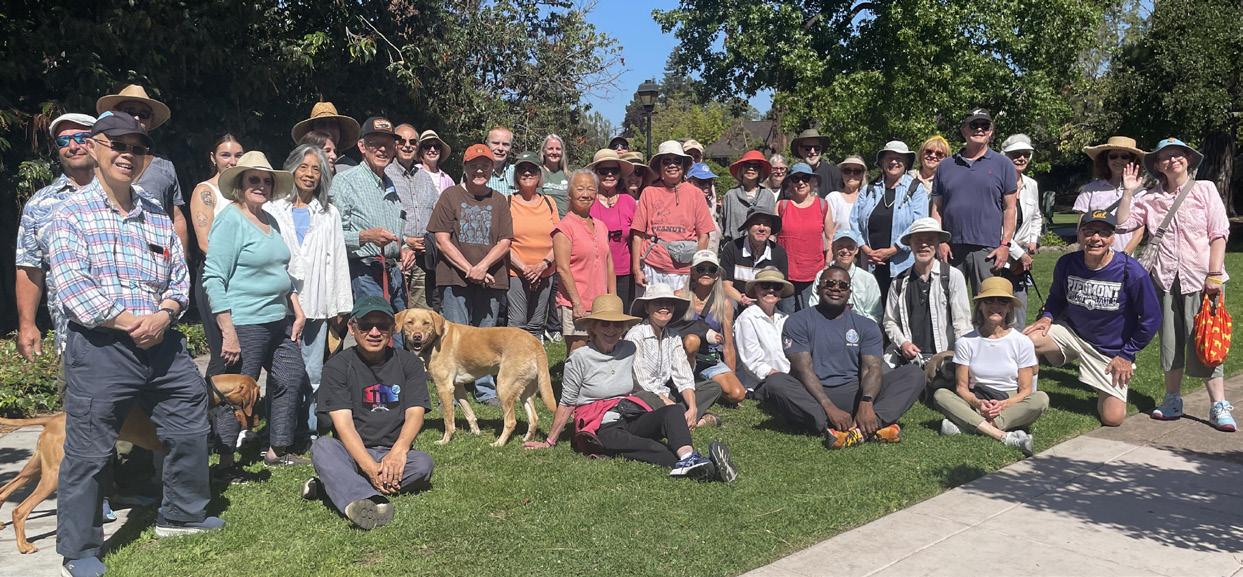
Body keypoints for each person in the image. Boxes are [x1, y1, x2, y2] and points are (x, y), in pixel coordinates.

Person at [45, 113, 221, 577]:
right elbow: (72, 287)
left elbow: (179, 277)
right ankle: (79, 550)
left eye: (137, 148)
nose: (128, 154)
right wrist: (129, 323)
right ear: (94, 148)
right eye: (118, 145)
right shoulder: (69, 214)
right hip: (101, 346)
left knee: (189, 417)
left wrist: (163, 315)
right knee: (89, 449)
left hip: (161, 341)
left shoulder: (156, 213)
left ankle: (181, 514)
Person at [523, 295, 737, 483]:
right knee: (652, 448)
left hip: (630, 413)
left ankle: (689, 457)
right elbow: (568, 402)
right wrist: (550, 441)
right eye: (605, 324)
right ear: (593, 327)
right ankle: (704, 467)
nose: (611, 330)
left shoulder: (628, 348)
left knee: (672, 411)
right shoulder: (579, 358)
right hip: (601, 426)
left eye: (617, 325)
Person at [1115, 138, 1234, 430]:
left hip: (1201, 279)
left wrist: (1214, 274)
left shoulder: (1205, 189)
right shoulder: (1149, 198)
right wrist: (1128, 192)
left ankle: (1218, 405)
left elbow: (1219, 233)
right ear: (1158, 165)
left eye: (1178, 154)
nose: (1173, 160)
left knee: (1206, 338)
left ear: (1188, 160)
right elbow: (1121, 224)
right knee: (1169, 342)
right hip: (1165, 279)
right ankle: (1172, 400)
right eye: (1166, 156)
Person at [202, 151, 310, 470]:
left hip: (279, 320)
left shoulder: (269, 220)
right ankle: (225, 460)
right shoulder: (230, 220)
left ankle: (278, 449)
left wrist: (297, 308)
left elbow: (280, 270)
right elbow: (213, 277)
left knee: (291, 376)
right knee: (237, 390)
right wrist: (228, 331)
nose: (261, 186)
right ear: (240, 184)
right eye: (254, 180)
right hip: (245, 322)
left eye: (266, 181)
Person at [301, 296, 434, 530]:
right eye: (365, 326)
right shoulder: (337, 366)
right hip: (351, 452)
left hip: (392, 452)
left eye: (382, 325)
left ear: (393, 329)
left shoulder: (409, 363)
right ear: (352, 329)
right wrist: (370, 469)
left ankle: (333, 485)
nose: (374, 332)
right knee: (323, 447)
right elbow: (343, 424)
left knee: (423, 464)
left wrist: (399, 451)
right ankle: (367, 500)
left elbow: (416, 413)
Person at [758, 266, 925, 447]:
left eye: (843, 285)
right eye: (829, 283)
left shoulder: (867, 326)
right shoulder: (797, 321)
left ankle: (865, 424)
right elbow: (803, 370)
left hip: (856, 392)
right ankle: (840, 425)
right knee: (775, 382)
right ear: (818, 288)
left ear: (849, 292)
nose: (836, 288)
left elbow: (872, 368)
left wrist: (866, 402)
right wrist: (829, 407)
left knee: (913, 374)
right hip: (814, 397)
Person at [1024, 211, 1161, 427]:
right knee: (1028, 340)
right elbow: (1057, 297)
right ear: (1080, 235)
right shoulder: (1067, 263)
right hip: (1072, 333)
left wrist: (1126, 354)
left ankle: (1099, 384)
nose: (1095, 238)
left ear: (1112, 238)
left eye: (1103, 233)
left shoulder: (1130, 271)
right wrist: (1048, 316)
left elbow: (1151, 318)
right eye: (1089, 232)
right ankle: (1026, 398)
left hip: (1109, 350)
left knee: (1113, 418)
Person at [269, 144, 354, 444]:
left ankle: (309, 430)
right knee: (282, 374)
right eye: (303, 167)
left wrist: (341, 305)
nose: (308, 174)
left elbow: (339, 259)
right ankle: (279, 431)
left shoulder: (329, 213)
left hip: (316, 302)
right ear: (292, 169)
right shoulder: (273, 209)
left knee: (313, 373)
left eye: (315, 169)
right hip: (280, 304)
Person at [426, 144, 514, 405]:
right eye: (474, 165)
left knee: (486, 338)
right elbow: (442, 240)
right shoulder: (450, 196)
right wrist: (470, 269)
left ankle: (485, 390)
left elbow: (505, 241)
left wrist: (482, 267)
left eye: (485, 166)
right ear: (464, 167)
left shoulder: (499, 200)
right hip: (454, 278)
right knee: (453, 338)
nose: (479, 170)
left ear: (492, 169)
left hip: (492, 278)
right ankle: (452, 390)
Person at [933, 277, 1047, 456]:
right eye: (989, 301)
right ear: (980, 306)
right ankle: (1004, 436)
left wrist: (1004, 404)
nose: (995, 306)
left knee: (1041, 399)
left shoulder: (1022, 342)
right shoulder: (965, 342)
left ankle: (968, 425)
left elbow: (1026, 390)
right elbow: (961, 387)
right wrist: (978, 403)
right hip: (977, 398)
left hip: (1010, 401)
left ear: (1009, 307)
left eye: (1002, 301)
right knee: (940, 395)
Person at [16, 113, 96, 361]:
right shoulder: (39, 204)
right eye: (63, 141)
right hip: (72, 338)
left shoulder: (126, 195)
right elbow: (29, 268)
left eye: (81, 138)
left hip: (134, 330)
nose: (72, 146)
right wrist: (27, 324)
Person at [331, 117, 410, 342]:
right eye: (376, 144)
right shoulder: (345, 182)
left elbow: (398, 232)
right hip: (363, 271)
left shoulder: (391, 184)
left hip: (393, 272)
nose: (383, 149)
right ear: (362, 146)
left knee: (398, 335)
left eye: (388, 144)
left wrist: (405, 248)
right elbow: (332, 237)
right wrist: (366, 236)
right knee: (378, 336)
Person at [930, 108, 1019, 294]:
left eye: (984, 126)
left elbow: (1010, 208)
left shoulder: (1003, 165)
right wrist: (939, 241)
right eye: (974, 125)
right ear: (964, 130)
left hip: (987, 249)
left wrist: (1005, 245)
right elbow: (937, 208)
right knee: (948, 302)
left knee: (988, 303)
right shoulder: (945, 166)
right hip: (951, 248)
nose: (979, 129)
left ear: (991, 132)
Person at [97, 85, 188, 257]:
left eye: (144, 114)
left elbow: (175, 216)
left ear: (150, 121)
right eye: (129, 111)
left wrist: (181, 261)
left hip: (152, 259)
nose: (137, 117)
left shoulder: (165, 165)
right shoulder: (99, 156)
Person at [188, 133, 245, 384]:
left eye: (238, 155)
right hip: (216, 277)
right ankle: (210, 404)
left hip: (243, 281)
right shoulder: (206, 191)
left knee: (242, 353)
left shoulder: (246, 191)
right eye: (225, 155)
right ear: (213, 158)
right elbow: (204, 243)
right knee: (224, 354)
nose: (232, 161)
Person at [625, 284, 723, 428]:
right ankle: (687, 420)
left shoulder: (673, 336)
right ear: (647, 308)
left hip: (665, 392)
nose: (664, 307)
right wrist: (671, 405)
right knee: (646, 398)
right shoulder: (636, 336)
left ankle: (682, 418)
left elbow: (683, 375)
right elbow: (643, 383)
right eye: (658, 303)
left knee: (712, 387)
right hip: (644, 395)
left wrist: (693, 407)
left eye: (669, 304)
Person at [882, 218, 973, 369]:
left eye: (930, 240)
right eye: (918, 240)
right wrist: (903, 343)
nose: (923, 245)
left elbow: (962, 323)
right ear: (910, 244)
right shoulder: (898, 282)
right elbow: (890, 321)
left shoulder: (952, 276)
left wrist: (961, 361)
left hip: (944, 360)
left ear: (938, 244)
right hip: (909, 361)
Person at [631, 141, 716, 293]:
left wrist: (697, 269)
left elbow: (704, 236)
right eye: (666, 161)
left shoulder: (695, 194)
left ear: (683, 165)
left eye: (677, 161)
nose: (672, 165)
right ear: (660, 167)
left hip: (685, 272)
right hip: (652, 268)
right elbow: (637, 235)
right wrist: (637, 269)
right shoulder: (649, 193)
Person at [852, 140, 928, 300]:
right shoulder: (869, 189)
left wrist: (893, 250)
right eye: (889, 158)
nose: (894, 162)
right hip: (871, 264)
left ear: (906, 162)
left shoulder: (916, 189)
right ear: (882, 162)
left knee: (901, 309)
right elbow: (854, 222)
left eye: (899, 158)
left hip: (903, 265)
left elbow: (918, 225)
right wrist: (867, 250)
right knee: (873, 308)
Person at [556, 170, 615, 353]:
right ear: (570, 193)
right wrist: (577, 303)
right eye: (580, 188)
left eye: (591, 189)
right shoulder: (564, 228)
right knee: (578, 353)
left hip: (601, 303)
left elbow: (609, 264)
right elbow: (562, 268)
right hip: (575, 303)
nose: (586, 194)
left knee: (602, 352)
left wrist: (613, 299)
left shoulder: (601, 226)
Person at [678, 251, 747, 404]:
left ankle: (703, 384)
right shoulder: (679, 297)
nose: (706, 273)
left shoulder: (725, 303)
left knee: (737, 394)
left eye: (712, 269)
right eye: (701, 269)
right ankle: (687, 381)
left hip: (709, 358)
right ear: (693, 272)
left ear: (717, 275)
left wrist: (731, 374)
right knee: (692, 340)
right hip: (682, 357)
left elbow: (728, 344)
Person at [506, 152, 560, 340]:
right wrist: (525, 269)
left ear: (539, 174)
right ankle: (514, 358)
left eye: (532, 169)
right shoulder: (507, 202)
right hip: (516, 272)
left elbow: (559, 240)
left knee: (536, 325)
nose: (527, 173)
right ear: (516, 174)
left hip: (545, 271)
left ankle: (535, 357)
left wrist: (542, 265)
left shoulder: (549, 202)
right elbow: (502, 241)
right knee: (517, 322)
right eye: (522, 169)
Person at [405, 129, 454, 309]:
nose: (432, 150)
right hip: (406, 244)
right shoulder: (412, 173)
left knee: (427, 298)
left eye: (436, 146)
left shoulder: (447, 179)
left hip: (432, 247)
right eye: (427, 146)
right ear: (420, 151)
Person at [1074, 136, 1149, 253]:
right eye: (1113, 156)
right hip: (1093, 252)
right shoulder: (1090, 189)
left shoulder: (1140, 193)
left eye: (1124, 156)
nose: (1118, 160)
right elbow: (1081, 225)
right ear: (1106, 159)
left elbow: (1139, 232)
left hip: (1122, 254)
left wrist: (1125, 254)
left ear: (1133, 160)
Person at [1000, 134, 1044, 328]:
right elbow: (996, 227)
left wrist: (1033, 241)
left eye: (1025, 154)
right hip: (1000, 256)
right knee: (997, 306)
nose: (1021, 158)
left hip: (1023, 257)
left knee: (1020, 305)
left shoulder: (1031, 184)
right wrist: (1019, 254)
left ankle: (1017, 342)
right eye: (1015, 154)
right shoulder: (996, 184)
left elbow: (1036, 216)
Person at [775, 163, 831, 309]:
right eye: (796, 179)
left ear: (812, 181)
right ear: (789, 183)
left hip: (813, 273)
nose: (800, 182)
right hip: (785, 274)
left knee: (811, 315)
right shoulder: (781, 206)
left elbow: (830, 238)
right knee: (785, 317)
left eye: (805, 178)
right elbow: (772, 238)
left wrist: (827, 265)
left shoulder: (823, 205)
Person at [733, 267, 793, 395]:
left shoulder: (786, 319)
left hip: (788, 379)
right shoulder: (746, 319)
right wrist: (780, 377)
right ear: (756, 289)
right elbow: (752, 362)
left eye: (777, 286)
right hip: (760, 383)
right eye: (765, 285)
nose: (771, 290)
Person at [590, 153, 638, 307]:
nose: (609, 175)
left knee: (622, 314)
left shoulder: (629, 201)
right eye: (603, 171)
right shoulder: (588, 201)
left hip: (624, 272)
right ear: (595, 174)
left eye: (614, 171)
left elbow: (637, 237)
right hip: (595, 272)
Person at [720, 206, 789, 308]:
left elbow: (780, 289)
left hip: (767, 304)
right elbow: (725, 285)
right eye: (757, 223)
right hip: (738, 302)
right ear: (748, 227)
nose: (762, 228)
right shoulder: (732, 248)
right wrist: (743, 300)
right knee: (727, 304)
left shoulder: (779, 253)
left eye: (766, 224)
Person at [808, 230, 883, 323]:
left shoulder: (867, 278)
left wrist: (861, 327)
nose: (845, 251)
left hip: (860, 327)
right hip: (827, 325)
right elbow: (814, 306)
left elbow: (875, 314)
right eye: (840, 246)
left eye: (850, 247)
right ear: (833, 248)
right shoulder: (822, 275)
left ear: (856, 250)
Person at [387, 123, 423, 302]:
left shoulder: (425, 177)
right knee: (398, 310)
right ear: (394, 145)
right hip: (398, 257)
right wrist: (406, 240)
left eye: (412, 141)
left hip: (423, 259)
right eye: (402, 141)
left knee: (422, 313)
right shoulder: (385, 175)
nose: (407, 145)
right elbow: (383, 215)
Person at [720, 150, 776, 246]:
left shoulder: (768, 196)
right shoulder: (730, 195)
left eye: (755, 166)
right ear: (741, 169)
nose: (751, 168)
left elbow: (771, 225)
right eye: (747, 165)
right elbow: (722, 224)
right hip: (735, 247)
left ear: (760, 171)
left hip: (761, 247)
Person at [291, 101, 361, 170]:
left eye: (332, 124)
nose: (328, 130)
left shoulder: (351, 168)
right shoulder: (299, 167)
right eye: (321, 124)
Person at [789, 128, 844, 196]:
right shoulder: (792, 175)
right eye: (807, 148)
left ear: (821, 150)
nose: (812, 152)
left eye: (817, 148)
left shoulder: (834, 173)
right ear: (800, 150)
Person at [825, 155, 866, 239]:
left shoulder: (869, 198)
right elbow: (828, 234)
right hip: (839, 246)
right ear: (841, 173)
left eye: (857, 171)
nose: (851, 174)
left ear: (862, 175)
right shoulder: (833, 198)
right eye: (847, 171)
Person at [540, 134, 571, 216]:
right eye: (550, 148)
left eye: (558, 149)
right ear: (543, 151)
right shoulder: (538, 174)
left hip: (566, 221)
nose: (554, 152)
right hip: (546, 220)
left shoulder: (568, 176)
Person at [485, 126, 516, 196]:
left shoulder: (517, 173)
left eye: (505, 144)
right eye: (496, 143)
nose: (500, 148)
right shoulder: (476, 173)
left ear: (510, 147)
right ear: (487, 144)